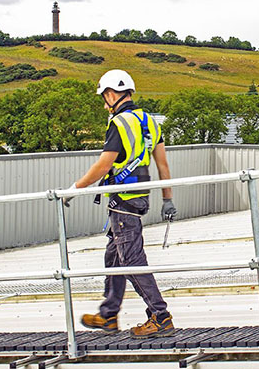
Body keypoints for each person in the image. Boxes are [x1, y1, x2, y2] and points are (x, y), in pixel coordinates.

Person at [67, 69, 177, 339]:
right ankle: (108, 316)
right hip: (139, 197)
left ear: (112, 93)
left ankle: (160, 316)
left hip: (123, 203)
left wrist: (74, 189)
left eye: (105, 98)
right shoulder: (150, 122)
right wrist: (167, 199)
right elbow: (162, 164)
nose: (105, 105)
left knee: (131, 260)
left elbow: (103, 164)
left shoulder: (119, 123)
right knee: (114, 258)